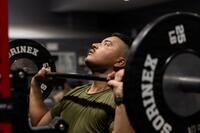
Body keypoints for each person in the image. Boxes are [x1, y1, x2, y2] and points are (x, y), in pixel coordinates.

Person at [29, 33, 135, 133]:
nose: (94, 45)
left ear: (120, 62)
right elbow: (39, 124)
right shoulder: (74, 94)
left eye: (107, 44)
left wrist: (121, 100)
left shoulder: (120, 99)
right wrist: (35, 85)